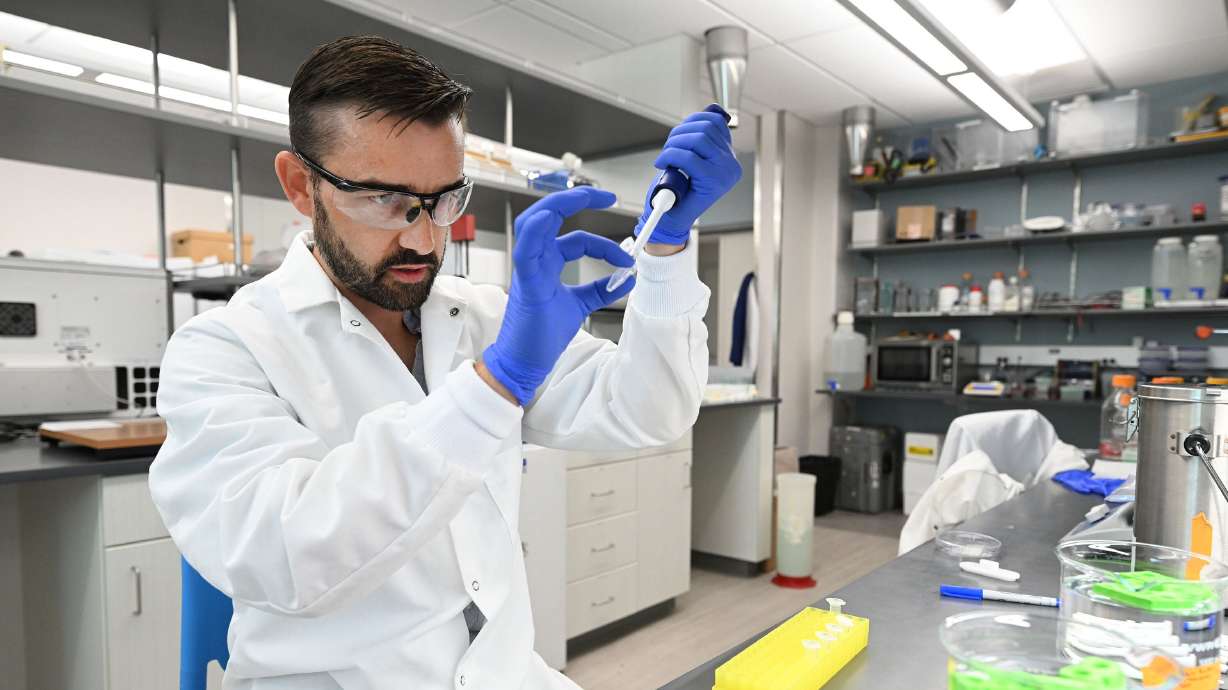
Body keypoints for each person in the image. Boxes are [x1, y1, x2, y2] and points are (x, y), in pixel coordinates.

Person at [149, 35, 741, 690]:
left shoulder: (479, 314)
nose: (423, 237)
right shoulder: (224, 349)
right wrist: (495, 386)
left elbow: (648, 412)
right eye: (383, 199)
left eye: (445, 198)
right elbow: (285, 557)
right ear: (299, 184)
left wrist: (668, 251)